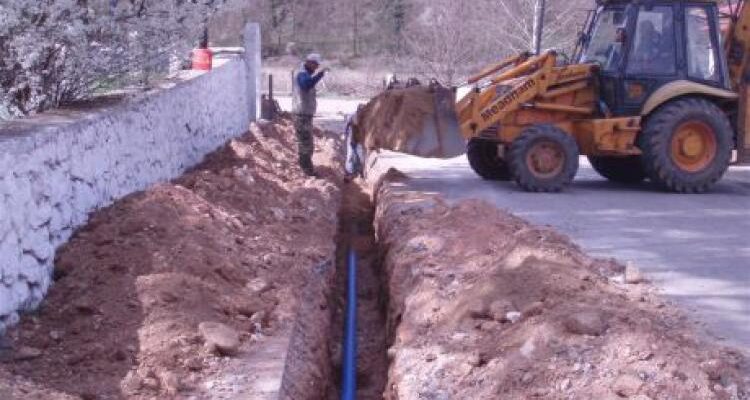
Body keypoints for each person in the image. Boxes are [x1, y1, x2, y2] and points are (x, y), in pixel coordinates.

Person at [292, 53, 329, 177]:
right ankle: (306, 170)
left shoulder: (305, 74)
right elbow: (306, 85)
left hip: (304, 114)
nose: (316, 67)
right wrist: (320, 75)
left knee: (307, 143)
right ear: (309, 62)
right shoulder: (301, 74)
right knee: (306, 144)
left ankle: (305, 167)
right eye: (315, 65)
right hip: (301, 114)